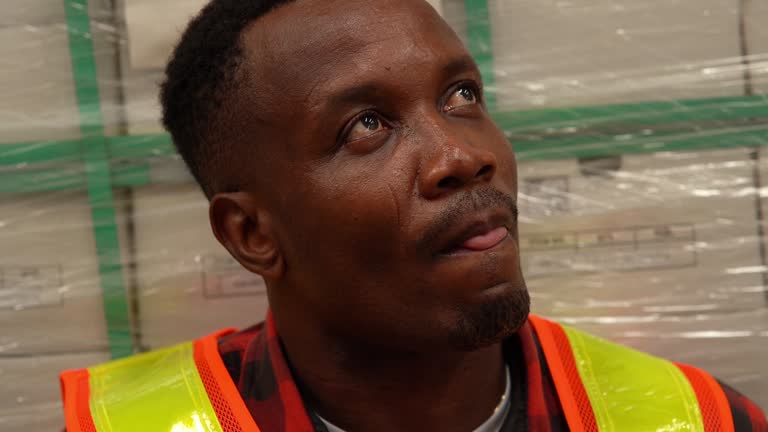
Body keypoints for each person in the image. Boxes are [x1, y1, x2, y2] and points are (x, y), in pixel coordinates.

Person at [60, 0, 767, 431]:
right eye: (367, 126)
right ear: (252, 234)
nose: (461, 155)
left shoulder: (695, 419)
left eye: (461, 94)